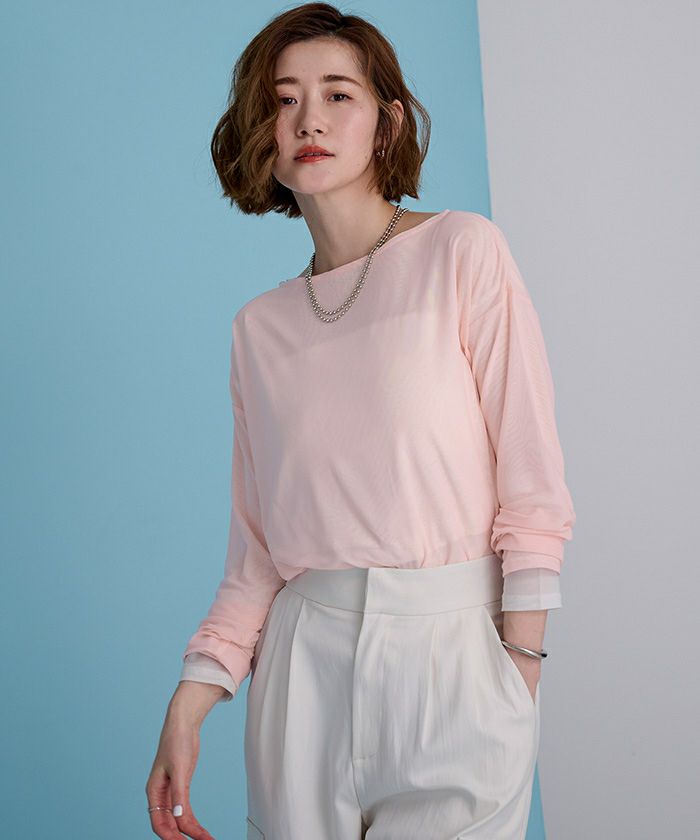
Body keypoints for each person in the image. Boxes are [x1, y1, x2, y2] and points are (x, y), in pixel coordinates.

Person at [145, 4, 576, 839]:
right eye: (284, 99)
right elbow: (256, 558)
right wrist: (189, 702)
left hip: (455, 660)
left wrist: (517, 677)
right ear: (261, 130)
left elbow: (532, 489)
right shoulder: (259, 329)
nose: (309, 119)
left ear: (389, 122)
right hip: (302, 673)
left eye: (339, 95)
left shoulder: (462, 252)